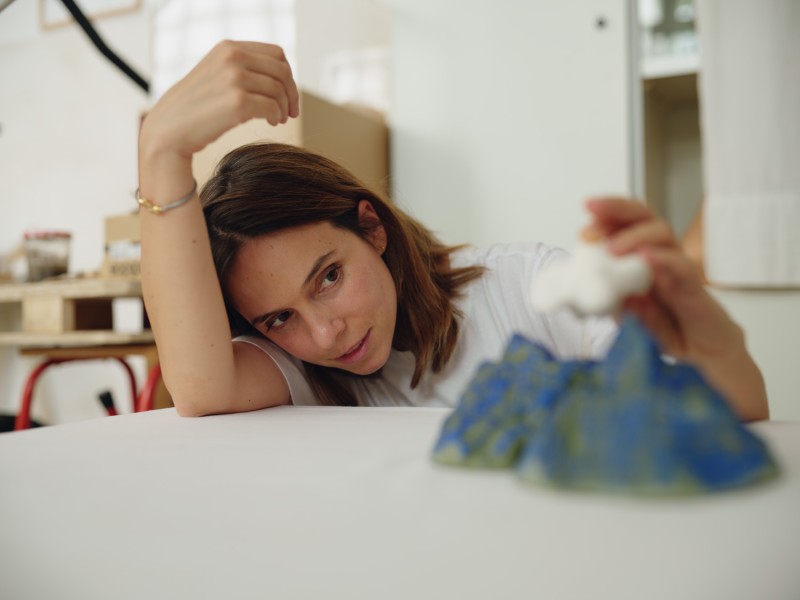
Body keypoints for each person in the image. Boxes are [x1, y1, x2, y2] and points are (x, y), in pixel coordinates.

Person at [137, 41, 768, 422]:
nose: (325, 334)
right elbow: (200, 390)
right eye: (280, 318)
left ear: (371, 228)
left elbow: (724, 414)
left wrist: (708, 336)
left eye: (328, 277)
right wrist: (161, 150)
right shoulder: (311, 372)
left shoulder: (527, 287)